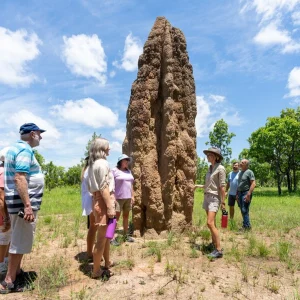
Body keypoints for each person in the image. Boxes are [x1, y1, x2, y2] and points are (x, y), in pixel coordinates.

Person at [0, 123, 45, 294]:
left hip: (16, 203)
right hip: (22, 204)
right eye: (39, 134)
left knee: (19, 239)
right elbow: (20, 178)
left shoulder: (13, 149)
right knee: (19, 241)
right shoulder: (25, 151)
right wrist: (27, 205)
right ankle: (8, 282)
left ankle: (17, 273)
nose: (41, 137)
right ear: (32, 134)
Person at [87, 138, 116, 279]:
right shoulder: (102, 163)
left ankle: (106, 263)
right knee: (102, 239)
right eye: (108, 147)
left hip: (98, 200)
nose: (109, 149)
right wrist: (110, 207)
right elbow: (104, 187)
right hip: (104, 201)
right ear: (103, 149)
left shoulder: (92, 164)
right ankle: (96, 271)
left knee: (106, 237)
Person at [200, 147, 226, 259]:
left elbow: (222, 187)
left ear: (216, 157)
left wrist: (223, 202)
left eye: (210, 155)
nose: (208, 156)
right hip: (207, 196)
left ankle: (219, 250)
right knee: (212, 223)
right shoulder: (210, 168)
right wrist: (198, 186)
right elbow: (209, 184)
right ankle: (214, 244)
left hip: (214, 198)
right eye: (207, 154)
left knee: (209, 223)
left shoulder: (220, 169)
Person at [111, 154, 134, 245]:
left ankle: (125, 235)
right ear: (120, 161)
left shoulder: (128, 171)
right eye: (125, 160)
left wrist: (132, 196)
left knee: (126, 217)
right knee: (114, 219)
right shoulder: (114, 171)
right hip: (118, 198)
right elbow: (111, 184)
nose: (127, 162)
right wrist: (112, 197)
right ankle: (110, 238)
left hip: (127, 198)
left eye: (128, 160)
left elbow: (131, 185)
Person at [81, 156, 96, 262]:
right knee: (93, 227)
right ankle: (90, 253)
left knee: (93, 226)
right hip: (92, 199)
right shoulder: (90, 170)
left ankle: (90, 252)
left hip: (90, 199)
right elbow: (94, 188)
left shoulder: (87, 169)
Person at [0, 148, 11, 275]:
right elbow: (1, 198)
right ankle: (2, 267)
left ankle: (6, 264)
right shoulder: (3, 173)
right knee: (4, 239)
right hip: (2, 215)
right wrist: (6, 218)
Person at [237, 159, 256, 231]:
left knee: (244, 209)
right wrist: (237, 194)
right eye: (241, 162)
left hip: (246, 193)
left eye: (243, 162)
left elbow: (253, 183)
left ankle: (247, 227)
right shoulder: (240, 172)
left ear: (247, 165)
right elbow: (239, 184)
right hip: (240, 193)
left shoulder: (249, 172)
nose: (241, 163)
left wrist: (248, 194)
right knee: (242, 210)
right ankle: (245, 225)